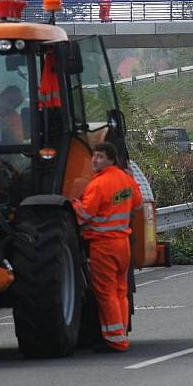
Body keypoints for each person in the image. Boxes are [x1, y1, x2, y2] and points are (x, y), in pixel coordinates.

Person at [72, 142, 142, 353]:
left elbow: (84, 215)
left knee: (106, 292)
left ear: (110, 159)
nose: (95, 160)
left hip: (103, 245)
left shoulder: (98, 184)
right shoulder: (125, 179)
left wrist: (74, 204)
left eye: (100, 157)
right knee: (120, 291)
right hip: (123, 245)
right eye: (94, 156)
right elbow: (138, 204)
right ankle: (120, 334)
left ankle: (115, 340)